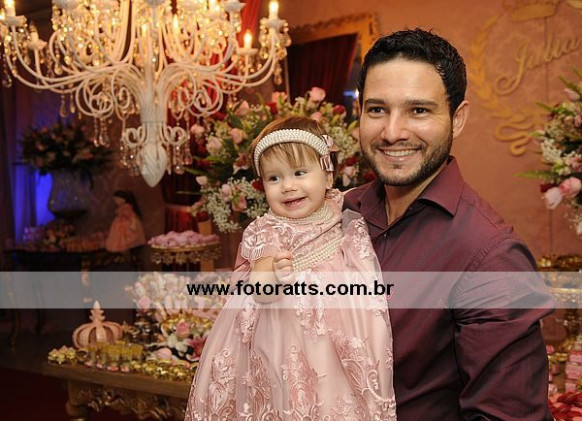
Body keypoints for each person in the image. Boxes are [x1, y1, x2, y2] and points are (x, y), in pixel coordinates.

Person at [344, 28, 554, 420]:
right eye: (377, 110)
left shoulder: (491, 257)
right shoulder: (339, 213)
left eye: (419, 111)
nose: (392, 132)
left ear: (457, 119)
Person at [185, 116, 397, 420]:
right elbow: (259, 288)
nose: (287, 186)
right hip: (284, 338)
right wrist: (272, 275)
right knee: (291, 397)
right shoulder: (268, 229)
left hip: (337, 334)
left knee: (334, 396)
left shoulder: (341, 209)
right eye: (274, 178)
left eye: (299, 173)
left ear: (327, 176)